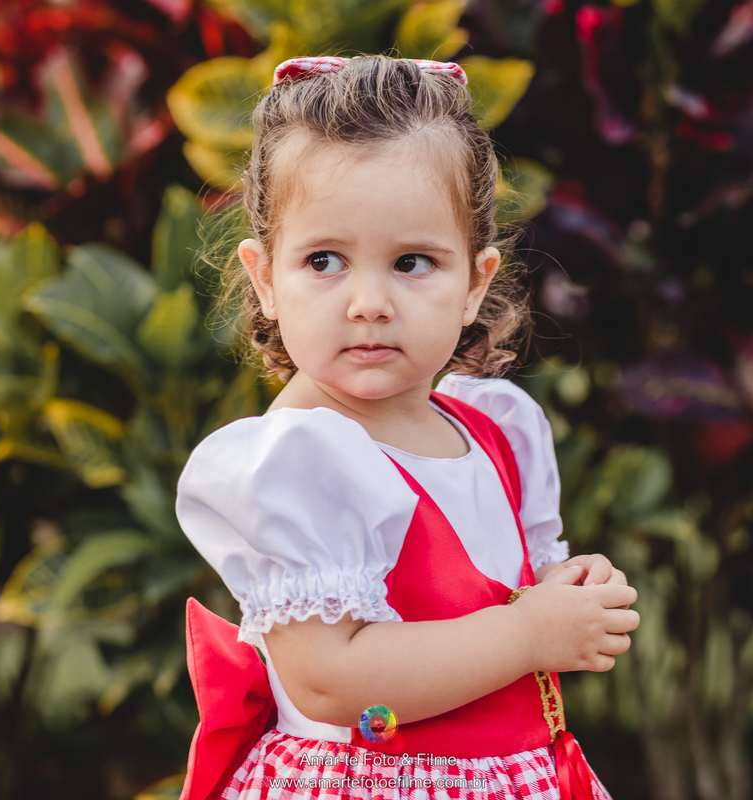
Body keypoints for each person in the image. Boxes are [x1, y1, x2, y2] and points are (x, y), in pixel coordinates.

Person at [174, 54, 640, 800]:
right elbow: (334, 681)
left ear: (474, 283)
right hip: (370, 777)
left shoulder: (495, 431)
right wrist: (529, 636)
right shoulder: (298, 463)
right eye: (324, 260)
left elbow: (485, 595)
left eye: (412, 262)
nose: (368, 302)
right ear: (265, 279)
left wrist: (561, 593)